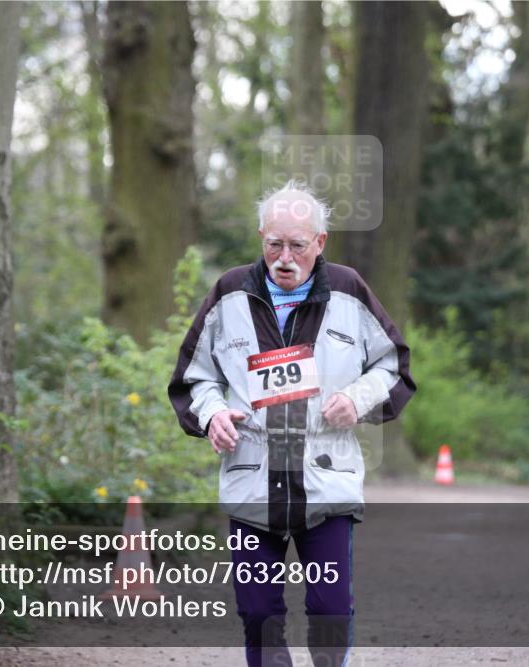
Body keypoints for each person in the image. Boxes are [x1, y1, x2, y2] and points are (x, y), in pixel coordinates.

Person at [168, 180, 416, 667]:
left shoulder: (349, 290)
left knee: (328, 608)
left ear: (319, 243)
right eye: (274, 244)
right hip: (251, 480)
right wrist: (213, 412)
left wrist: (356, 398)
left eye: (297, 246)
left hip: (325, 481)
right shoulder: (228, 293)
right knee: (257, 611)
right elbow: (194, 378)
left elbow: (393, 368)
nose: (285, 257)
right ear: (261, 236)